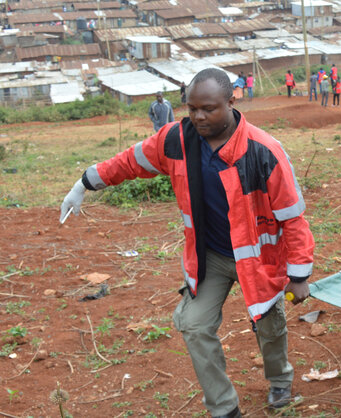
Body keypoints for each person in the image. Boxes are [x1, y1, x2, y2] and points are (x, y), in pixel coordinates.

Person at [59, 68, 315, 418]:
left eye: (208, 108)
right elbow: (130, 162)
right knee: (193, 324)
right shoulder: (176, 140)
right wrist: (86, 183)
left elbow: (293, 216)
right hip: (209, 258)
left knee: (269, 325)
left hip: (260, 259)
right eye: (192, 108)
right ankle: (224, 408)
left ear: (231, 101)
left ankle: (280, 380)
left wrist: (299, 274)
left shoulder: (263, 151)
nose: (198, 116)